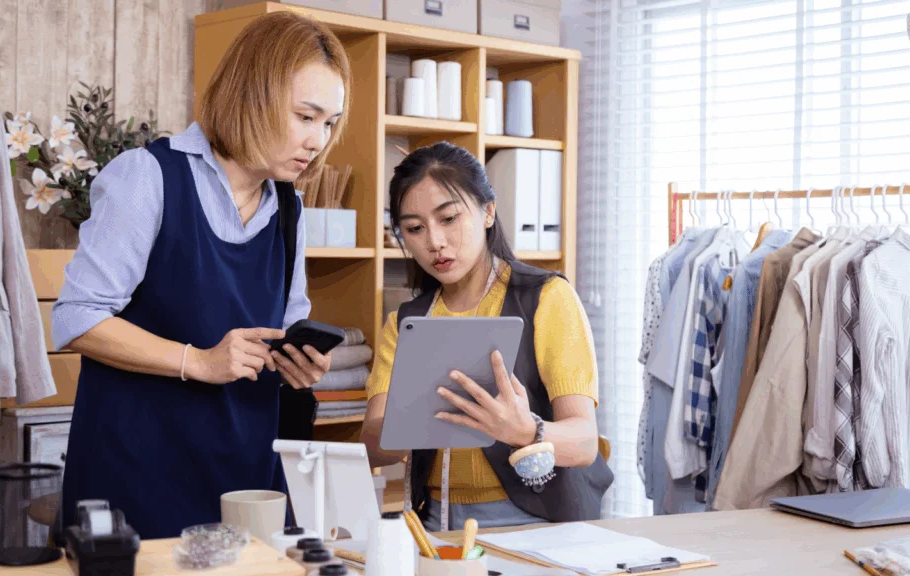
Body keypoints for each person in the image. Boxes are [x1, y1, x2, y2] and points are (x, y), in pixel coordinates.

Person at [51, 12, 351, 539]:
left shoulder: (288, 208)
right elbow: (78, 318)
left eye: (329, 123)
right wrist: (199, 361)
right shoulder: (148, 177)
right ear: (253, 96)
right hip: (137, 472)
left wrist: (298, 362)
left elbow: (281, 329)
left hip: (245, 474)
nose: (319, 140)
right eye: (306, 117)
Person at [359, 142, 614, 532]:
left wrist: (526, 430)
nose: (435, 242)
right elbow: (371, 443)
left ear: (488, 212)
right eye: (414, 228)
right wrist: (406, 425)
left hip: (537, 520)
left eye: (448, 218)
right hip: (435, 521)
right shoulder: (406, 321)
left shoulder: (547, 298)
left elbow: (583, 442)